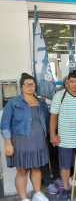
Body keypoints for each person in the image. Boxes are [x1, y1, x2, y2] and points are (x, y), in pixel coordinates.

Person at [1, 73, 50, 201]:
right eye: (26, 84)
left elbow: (47, 120)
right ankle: (24, 199)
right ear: (21, 87)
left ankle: (37, 194)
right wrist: (8, 144)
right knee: (22, 171)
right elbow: (5, 125)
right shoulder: (13, 103)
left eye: (32, 84)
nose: (29, 87)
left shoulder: (41, 102)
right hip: (20, 142)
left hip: (38, 141)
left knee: (36, 167)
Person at [50, 70, 76, 200]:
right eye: (71, 81)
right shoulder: (59, 95)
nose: (74, 84)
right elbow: (53, 117)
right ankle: (66, 190)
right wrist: (52, 134)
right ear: (67, 82)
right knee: (65, 166)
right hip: (65, 139)